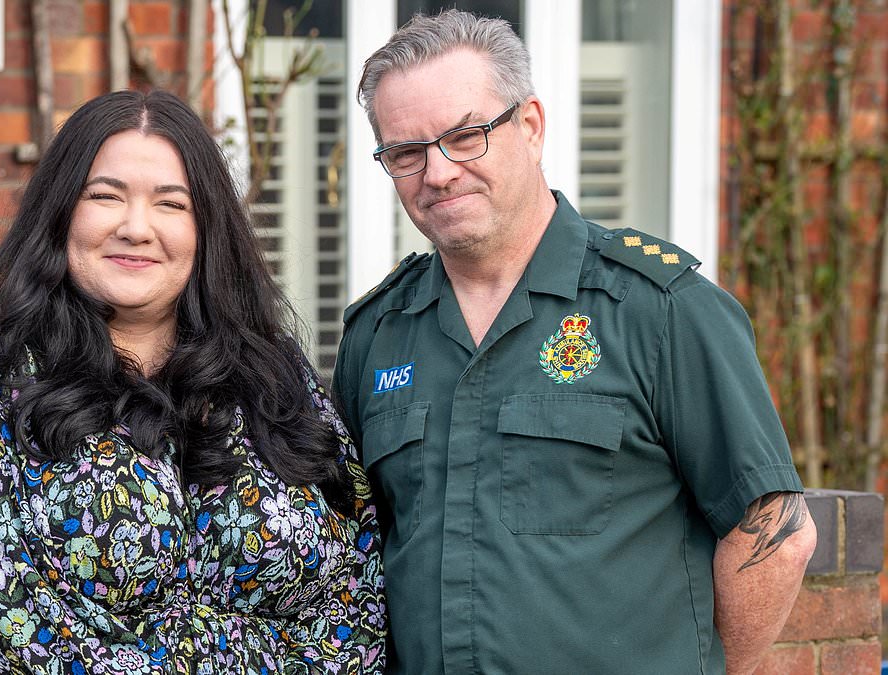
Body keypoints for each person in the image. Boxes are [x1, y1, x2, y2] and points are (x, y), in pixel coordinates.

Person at [334, 10, 816, 674]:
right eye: (406, 153)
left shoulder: (661, 311)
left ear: (530, 125)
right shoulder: (378, 337)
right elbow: (355, 549)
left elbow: (777, 534)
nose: (437, 172)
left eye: (466, 135)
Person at [0, 90, 386, 675]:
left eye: (171, 204)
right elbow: (18, 622)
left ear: (206, 227)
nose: (136, 227)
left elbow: (359, 589)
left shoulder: (273, 373)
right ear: (59, 212)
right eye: (104, 196)